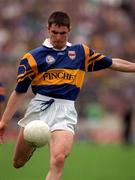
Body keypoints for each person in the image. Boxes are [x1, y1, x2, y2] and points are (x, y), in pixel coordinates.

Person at [0, 11, 135, 180]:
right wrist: (4, 121)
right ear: (48, 29)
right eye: (54, 33)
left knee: (58, 159)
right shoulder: (32, 58)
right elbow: (19, 92)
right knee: (17, 162)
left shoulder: (80, 52)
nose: (58, 37)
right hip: (39, 108)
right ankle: (34, 144)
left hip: (65, 110)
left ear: (69, 30)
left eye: (62, 33)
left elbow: (113, 63)